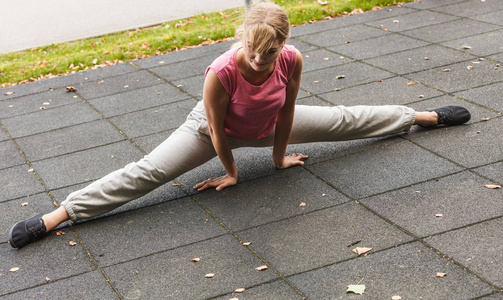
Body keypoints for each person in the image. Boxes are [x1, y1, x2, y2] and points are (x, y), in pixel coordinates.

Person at [8, 1, 471, 249]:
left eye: (268, 51)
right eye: (252, 48)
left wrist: (278, 157)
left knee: (343, 120)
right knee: (147, 171)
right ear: (242, 38)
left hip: (267, 125)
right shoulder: (222, 71)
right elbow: (214, 128)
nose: (258, 57)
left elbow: (288, 110)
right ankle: (60, 214)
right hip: (212, 132)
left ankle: (420, 116)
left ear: (283, 44)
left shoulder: (291, 59)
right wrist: (231, 172)